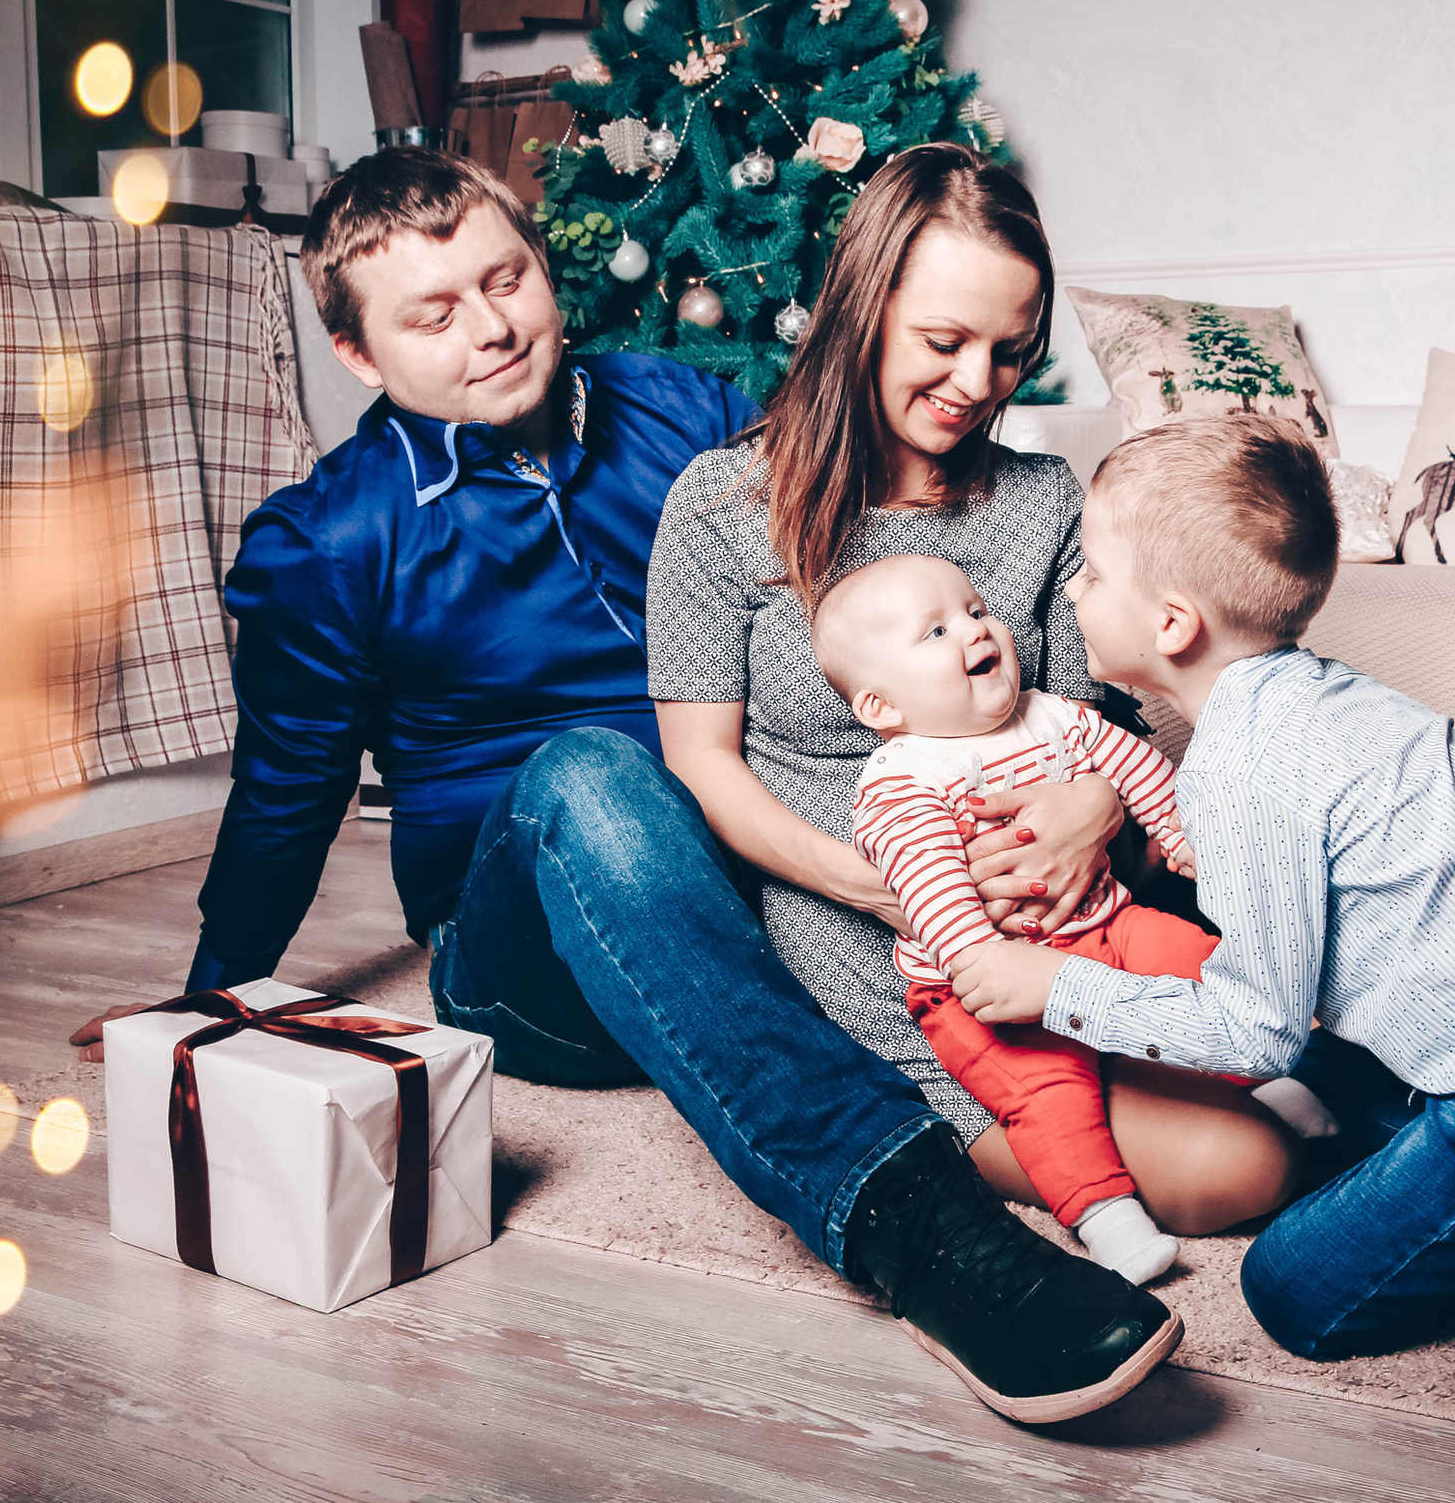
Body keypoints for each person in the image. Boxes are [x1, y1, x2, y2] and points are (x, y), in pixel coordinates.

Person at [68, 147, 1178, 1425]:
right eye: (433, 315)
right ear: (356, 354)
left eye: (505, 279)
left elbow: (846, 543)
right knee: (592, 776)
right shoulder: (326, 540)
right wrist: (210, 996)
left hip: (736, 900)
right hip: (534, 948)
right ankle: (914, 1230)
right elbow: (284, 793)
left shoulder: (685, 415)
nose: (490, 329)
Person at [948, 412, 1455, 1365]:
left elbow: (1254, 1026)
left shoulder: (1242, 768)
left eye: (1096, 573)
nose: (1074, 590)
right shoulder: (1306, 698)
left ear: (1172, 623)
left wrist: (1057, 989)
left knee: (1294, 1289)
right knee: (1301, 1090)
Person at [645, 145, 1298, 1288]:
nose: (976, 380)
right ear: (862, 309)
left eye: (1008, 350)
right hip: (891, 961)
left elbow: (1101, 721)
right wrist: (876, 883)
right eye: (942, 343)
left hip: (1080, 920)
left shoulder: (1044, 502)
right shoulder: (718, 508)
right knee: (1243, 1171)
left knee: (1304, 1046)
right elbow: (700, 766)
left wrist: (1090, 812)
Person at [820, 552, 1325, 1285]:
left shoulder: (1050, 715)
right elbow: (927, 884)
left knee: (1202, 961)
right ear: (881, 707)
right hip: (982, 986)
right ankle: (1102, 1212)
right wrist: (982, 962)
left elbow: (1139, 771)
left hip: (1106, 923)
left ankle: (1268, 1073)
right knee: (1047, 1093)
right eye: (935, 631)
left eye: (974, 608)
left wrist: (1188, 842)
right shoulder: (903, 778)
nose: (973, 629)